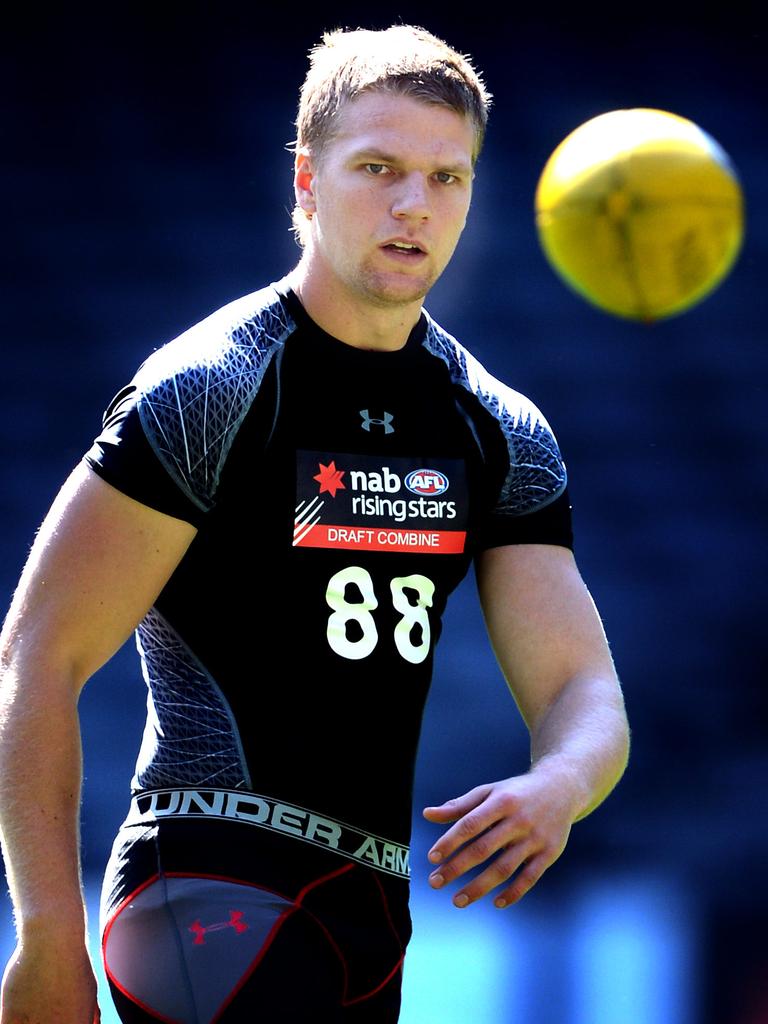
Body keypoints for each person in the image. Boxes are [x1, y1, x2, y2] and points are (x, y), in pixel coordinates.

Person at [0, 23, 629, 1024]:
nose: (413, 204)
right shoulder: (211, 389)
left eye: (446, 177)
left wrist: (560, 781)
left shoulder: (500, 429)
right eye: (377, 168)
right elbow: (39, 650)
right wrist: (44, 934)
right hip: (200, 881)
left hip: (370, 907)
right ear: (305, 179)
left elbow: (581, 685)